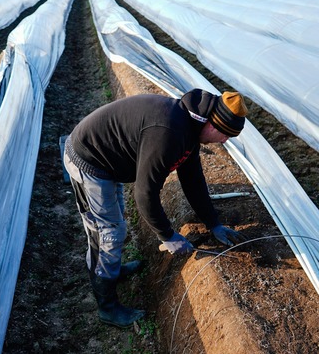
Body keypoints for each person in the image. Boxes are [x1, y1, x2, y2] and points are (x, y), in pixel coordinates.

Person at [63, 88, 248, 328]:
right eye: (226, 135)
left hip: (108, 161)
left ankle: (113, 271)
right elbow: (144, 194)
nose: (224, 142)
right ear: (214, 124)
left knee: (115, 224)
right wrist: (167, 235)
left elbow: (193, 179)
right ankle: (106, 307)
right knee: (107, 233)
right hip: (89, 160)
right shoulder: (169, 133)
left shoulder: (190, 127)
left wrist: (213, 222)